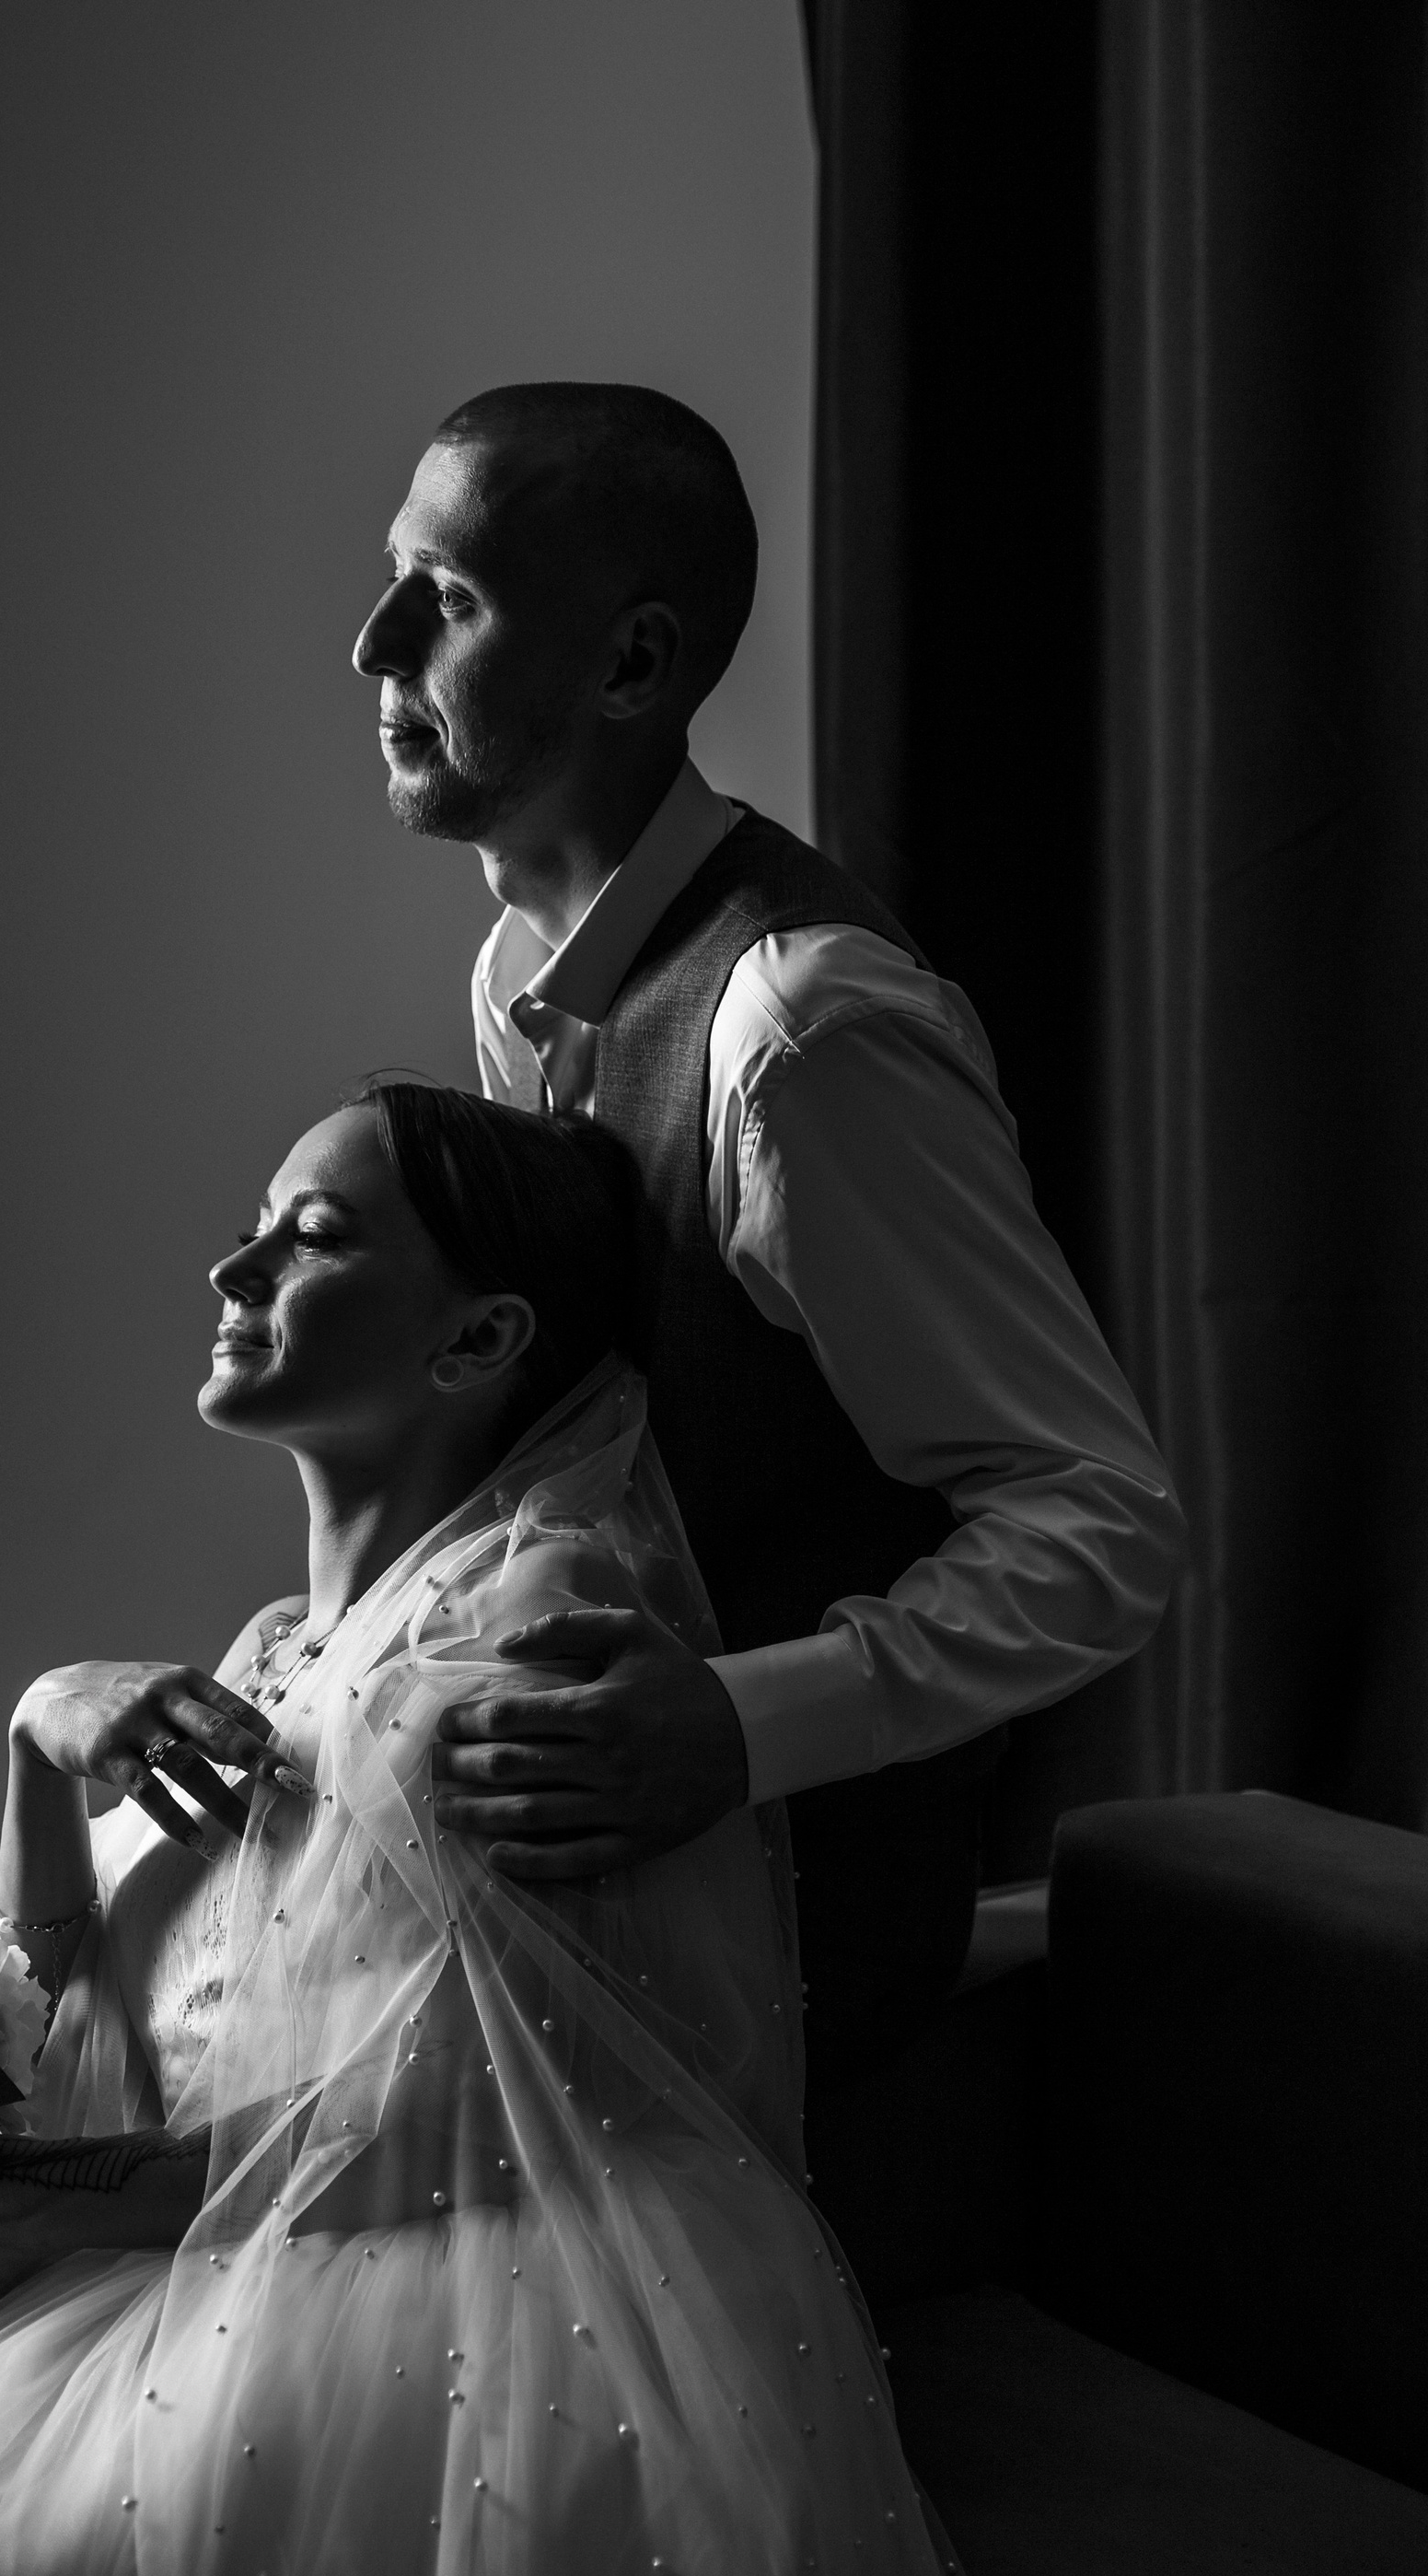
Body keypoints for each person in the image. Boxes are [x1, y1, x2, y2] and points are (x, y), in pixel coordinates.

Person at [0, 1084, 975, 2576]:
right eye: (253, 1233)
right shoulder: (276, 1653)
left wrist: (38, 2221)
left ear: (478, 1340)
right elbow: (75, 2018)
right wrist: (35, 1741)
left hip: (434, 2289)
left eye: (315, 1238)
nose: (235, 1270)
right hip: (209, 2223)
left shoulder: (520, 1623)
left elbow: (494, 2101)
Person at [350, 383, 1187, 2143]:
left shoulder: (798, 1030)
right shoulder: (524, 978)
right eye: (393, 578)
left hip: (785, 1962)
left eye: (453, 598)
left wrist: (739, 1729)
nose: (374, 644)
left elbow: (1100, 1522)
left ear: (633, 664)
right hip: (567, 1918)